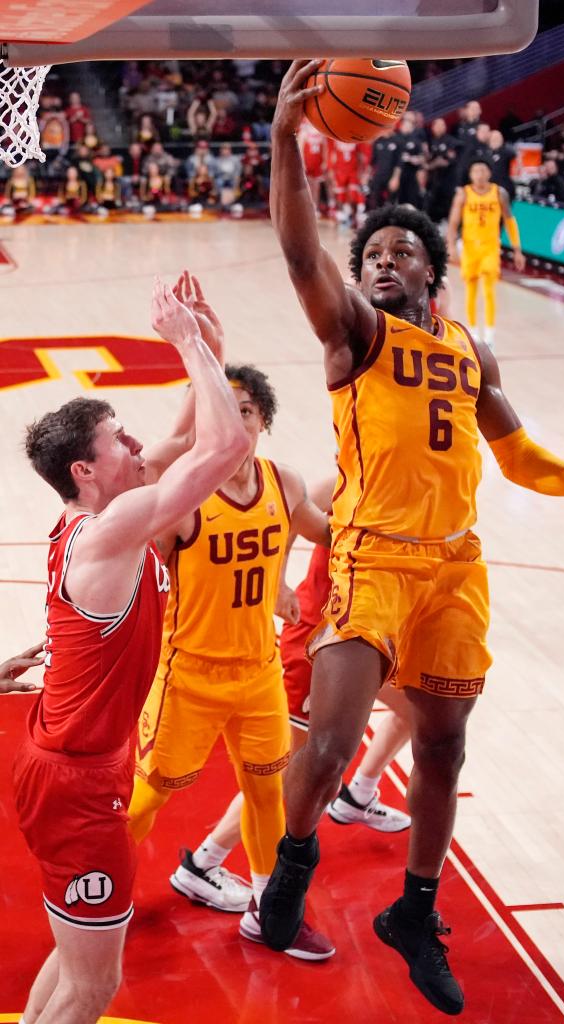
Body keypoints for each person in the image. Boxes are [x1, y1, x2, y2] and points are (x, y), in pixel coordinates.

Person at [258, 59, 564, 1017]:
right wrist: (285, 138)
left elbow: (515, 458)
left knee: (443, 750)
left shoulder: (467, 352)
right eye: (372, 256)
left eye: (402, 252)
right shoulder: (352, 334)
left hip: (454, 569)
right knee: (332, 742)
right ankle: (290, 864)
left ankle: (414, 908)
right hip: (370, 556)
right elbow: (300, 257)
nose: (383, 262)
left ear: (432, 273)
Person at [13, 277, 249, 1024]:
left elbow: (186, 439)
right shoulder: (110, 534)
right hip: (76, 785)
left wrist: (208, 348)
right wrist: (182, 342)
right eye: (121, 438)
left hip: (74, 763)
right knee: (95, 987)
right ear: (85, 471)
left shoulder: (105, 516)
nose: (141, 444)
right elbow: (226, 445)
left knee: (73, 956)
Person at [128, 299, 333, 958]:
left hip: (258, 674)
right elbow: (145, 490)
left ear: (264, 422)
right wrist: (201, 359)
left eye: (245, 409)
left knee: (266, 789)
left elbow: (326, 534)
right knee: (145, 797)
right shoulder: (183, 498)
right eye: (225, 407)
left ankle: (269, 910)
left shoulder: (283, 482)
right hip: (188, 674)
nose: (234, 417)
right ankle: (93, 892)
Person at [279, 476, 411, 831]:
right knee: (303, 772)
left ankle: (359, 796)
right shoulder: (337, 484)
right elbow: (290, 519)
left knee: (417, 711)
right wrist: (278, 582)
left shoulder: (407, 486)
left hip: (365, 637)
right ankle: (205, 859)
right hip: (316, 637)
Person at [447, 158, 525, 350]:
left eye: (483, 170)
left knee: (489, 290)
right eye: (476, 171)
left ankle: (490, 336)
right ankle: (473, 333)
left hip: (490, 246)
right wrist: (450, 245)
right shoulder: (463, 194)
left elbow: (509, 221)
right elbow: (453, 222)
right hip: (470, 247)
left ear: (489, 173)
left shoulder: (499, 193)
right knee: (471, 291)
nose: (480, 174)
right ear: (471, 174)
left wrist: (517, 249)